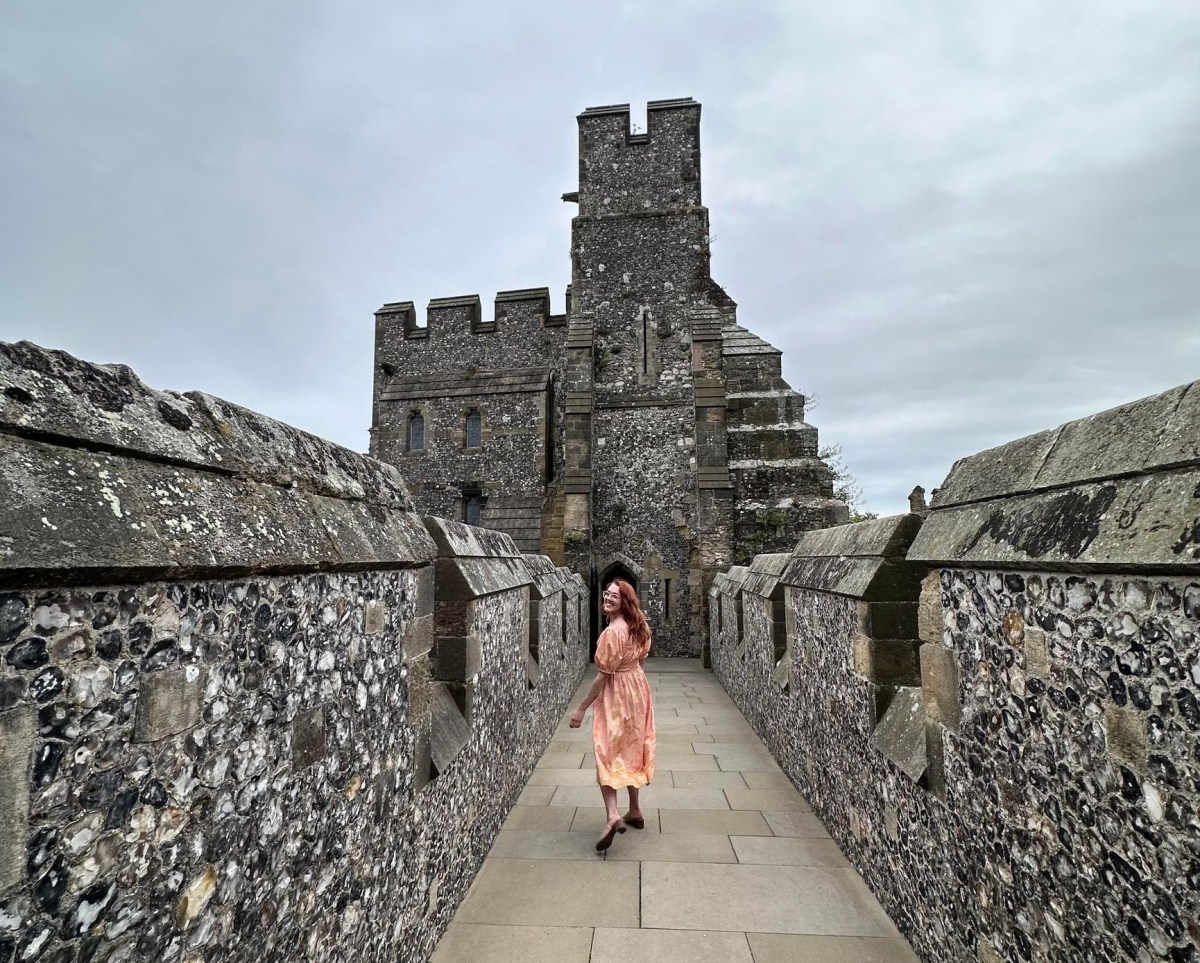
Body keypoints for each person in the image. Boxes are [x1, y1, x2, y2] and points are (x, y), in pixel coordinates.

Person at [569, 578, 657, 851]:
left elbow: (603, 675)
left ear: (624, 602)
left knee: (606, 751)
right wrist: (632, 677)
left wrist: (581, 708)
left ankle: (612, 816)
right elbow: (641, 659)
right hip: (638, 690)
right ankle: (635, 811)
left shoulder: (612, 633)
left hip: (617, 693)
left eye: (614, 596)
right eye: (606, 593)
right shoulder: (639, 624)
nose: (607, 598)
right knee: (631, 748)